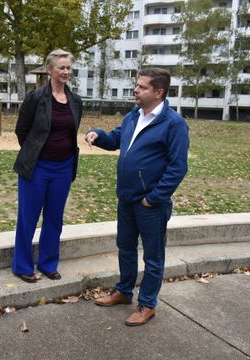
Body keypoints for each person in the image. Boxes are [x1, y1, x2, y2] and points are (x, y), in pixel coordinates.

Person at [85, 68, 189, 326]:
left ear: (158, 92)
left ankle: (147, 304)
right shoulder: (135, 115)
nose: (136, 90)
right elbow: (117, 138)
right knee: (126, 248)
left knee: (153, 257)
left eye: (142, 87)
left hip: (150, 204)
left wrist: (153, 198)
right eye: (136, 86)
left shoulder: (173, 123)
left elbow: (178, 167)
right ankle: (123, 291)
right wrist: (98, 135)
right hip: (127, 198)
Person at [12, 49, 83, 283]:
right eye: (61, 67)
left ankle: (48, 263)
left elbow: (72, 131)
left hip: (63, 168)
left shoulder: (75, 100)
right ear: (50, 70)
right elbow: (22, 130)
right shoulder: (35, 98)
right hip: (37, 167)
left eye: (68, 67)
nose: (65, 71)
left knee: (54, 218)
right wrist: (34, 151)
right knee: (28, 217)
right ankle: (22, 266)